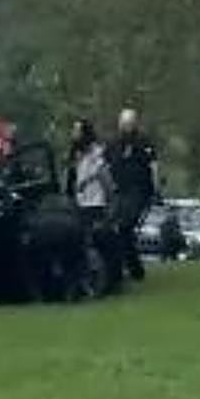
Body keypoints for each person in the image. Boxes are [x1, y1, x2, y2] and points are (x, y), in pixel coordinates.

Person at [68, 119, 121, 294]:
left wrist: (110, 206)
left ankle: (107, 282)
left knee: (99, 243)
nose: (73, 134)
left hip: (96, 205)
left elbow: (106, 181)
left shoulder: (96, 155)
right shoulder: (77, 155)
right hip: (82, 205)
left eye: (76, 130)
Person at [108, 109, 159, 281]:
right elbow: (107, 164)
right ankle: (126, 268)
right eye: (123, 123)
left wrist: (156, 187)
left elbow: (153, 165)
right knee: (114, 228)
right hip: (118, 190)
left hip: (138, 190)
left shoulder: (143, 141)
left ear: (134, 123)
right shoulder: (114, 142)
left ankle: (134, 269)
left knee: (125, 227)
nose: (125, 126)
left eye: (129, 123)